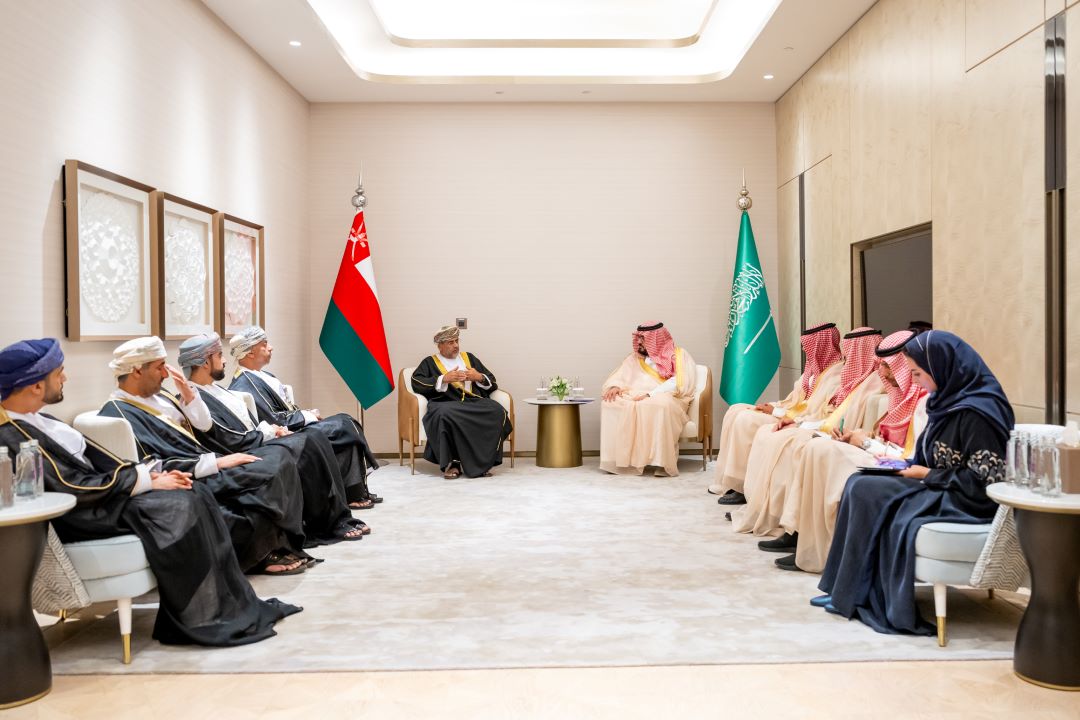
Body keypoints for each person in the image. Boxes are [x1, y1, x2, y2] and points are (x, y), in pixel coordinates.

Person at [0, 338, 301, 646]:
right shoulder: (10, 433)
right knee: (183, 504)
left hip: (107, 497)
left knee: (193, 495)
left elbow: (106, 461)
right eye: (59, 372)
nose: (65, 378)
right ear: (35, 386)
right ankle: (200, 614)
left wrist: (151, 476)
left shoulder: (41, 420)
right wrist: (145, 481)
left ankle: (228, 604)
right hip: (87, 512)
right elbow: (71, 485)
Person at [816, 330, 1012, 636]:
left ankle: (861, 595)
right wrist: (906, 466)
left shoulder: (978, 411)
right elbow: (928, 455)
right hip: (941, 484)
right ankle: (845, 590)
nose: (917, 381)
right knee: (858, 483)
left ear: (943, 367)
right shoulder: (944, 401)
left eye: (919, 373)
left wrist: (926, 475)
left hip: (967, 500)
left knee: (869, 492)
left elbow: (988, 482)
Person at [98, 336, 310, 576]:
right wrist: (217, 462)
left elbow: (203, 425)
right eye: (159, 367)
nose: (166, 375)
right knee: (269, 469)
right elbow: (153, 463)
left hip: (208, 461)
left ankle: (280, 544)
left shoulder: (163, 397)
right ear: (137, 371)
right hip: (195, 473)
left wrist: (189, 395)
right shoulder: (118, 413)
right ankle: (261, 555)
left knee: (279, 458)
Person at [178, 333, 367, 544]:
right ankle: (325, 524)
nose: (225, 360)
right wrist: (269, 433)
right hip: (245, 449)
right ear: (205, 362)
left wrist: (273, 429)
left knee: (314, 436)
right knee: (310, 440)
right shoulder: (194, 399)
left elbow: (249, 422)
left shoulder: (215, 389)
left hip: (257, 439)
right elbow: (229, 440)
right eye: (219, 355)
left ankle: (337, 517)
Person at [774, 330, 928, 573]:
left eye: (889, 367)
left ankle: (816, 548)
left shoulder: (923, 403)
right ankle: (801, 537)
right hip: (883, 455)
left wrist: (864, 443)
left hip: (897, 467)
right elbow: (889, 439)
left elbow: (909, 458)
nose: (884, 373)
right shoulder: (902, 397)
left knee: (818, 450)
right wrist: (864, 436)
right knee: (817, 448)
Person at [731, 328, 885, 545]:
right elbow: (812, 408)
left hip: (847, 440)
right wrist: (791, 418)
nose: (846, 357)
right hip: (826, 429)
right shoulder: (850, 379)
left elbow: (840, 422)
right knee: (777, 437)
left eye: (851, 353)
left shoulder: (871, 382)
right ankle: (762, 508)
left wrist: (791, 418)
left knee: (791, 444)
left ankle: (794, 529)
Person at [228, 325, 381, 508]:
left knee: (346, 423)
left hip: (297, 425)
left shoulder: (261, 375)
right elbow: (277, 421)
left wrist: (306, 413)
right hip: (287, 435)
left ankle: (355, 491)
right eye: (265, 344)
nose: (271, 347)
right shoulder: (245, 383)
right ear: (250, 352)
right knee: (344, 424)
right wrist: (308, 415)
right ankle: (352, 494)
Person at [713, 323, 843, 505]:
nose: (805, 349)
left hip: (800, 420)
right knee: (736, 409)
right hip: (788, 412)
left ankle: (741, 487)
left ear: (821, 345)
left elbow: (814, 411)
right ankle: (729, 480)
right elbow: (795, 400)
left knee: (746, 420)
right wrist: (773, 406)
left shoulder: (836, 376)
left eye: (808, 345)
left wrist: (775, 411)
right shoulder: (812, 372)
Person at [409, 325, 512, 479]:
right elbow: (417, 382)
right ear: (440, 345)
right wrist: (444, 378)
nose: (456, 345)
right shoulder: (430, 362)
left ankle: (483, 462)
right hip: (445, 403)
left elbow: (491, 380)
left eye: (456, 341)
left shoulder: (469, 358)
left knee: (497, 411)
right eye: (450, 342)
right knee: (445, 414)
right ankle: (453, 463)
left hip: (472, 402)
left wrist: (478, 377)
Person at [599, 322, 699, 477]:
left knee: (659, 405)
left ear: (656, 339)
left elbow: (679, 381)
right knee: (610, 403)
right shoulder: (634, 358)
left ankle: (662, 463)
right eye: (638, 338)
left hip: (668, 396)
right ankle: (620, 461)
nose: (638, 342)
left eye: (643, 338)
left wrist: (651, 394)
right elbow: (620, 376)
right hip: (636, 395)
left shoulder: (679, 355)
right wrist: (614, 386)